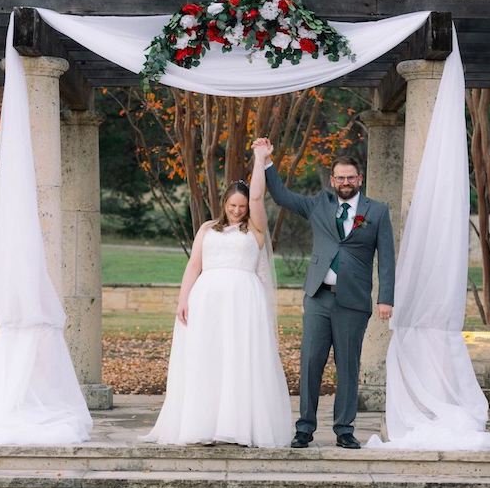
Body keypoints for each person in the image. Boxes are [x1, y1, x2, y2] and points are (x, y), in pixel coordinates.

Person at [142, 149, 292, 448]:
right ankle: (203, 424)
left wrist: (259, 160)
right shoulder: (207, 229)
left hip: (242, 303)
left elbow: (260, 197)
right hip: (206, 301)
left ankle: (237, 425)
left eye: (242, 205)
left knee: (238, 359)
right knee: (206, 358)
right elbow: (194, 266)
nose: (237, 210)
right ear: (224, 203)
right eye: (233, 204)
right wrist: (183, 299)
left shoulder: (257, 230)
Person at [252, 139, 395, 450]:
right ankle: (304, 428)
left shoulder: (378, 211)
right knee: (311, 363)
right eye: (339, 178)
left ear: (360, 179)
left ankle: (345, 429)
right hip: (318, 297)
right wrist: (266, 162)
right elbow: (282, 196)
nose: (345, 182)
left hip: (354, 302)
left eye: (350, 177)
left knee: (348, 365)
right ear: (333, 180)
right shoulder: (319, 204)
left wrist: (386, 298)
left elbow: (387, 258)